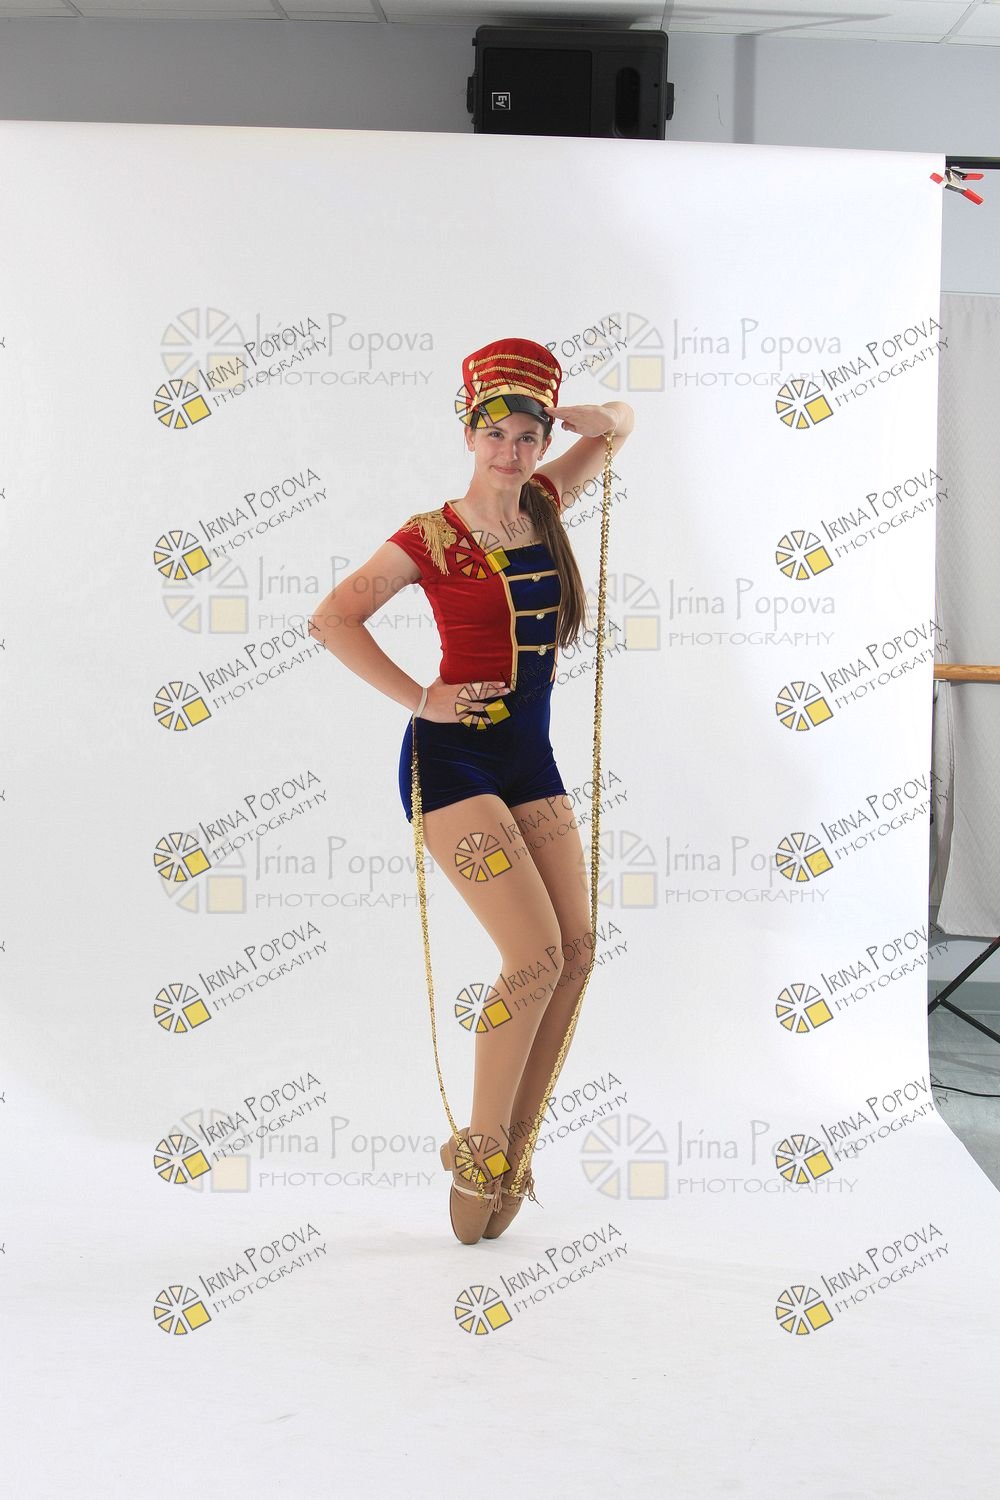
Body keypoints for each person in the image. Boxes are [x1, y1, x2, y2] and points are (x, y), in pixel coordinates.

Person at [308, 337, 634, 1244]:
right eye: (496, 433)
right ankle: (481, 1149)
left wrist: (595, 417)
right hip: (452, 765)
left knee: (576, 951)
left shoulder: (546, 503)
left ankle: (516, 1151)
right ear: (467, 433)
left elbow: (621, 426)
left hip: (530, 762)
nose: (511, 451)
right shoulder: (431, 536)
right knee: (532, 954)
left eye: (529, 436)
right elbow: (333, 617)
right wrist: (424, 697)